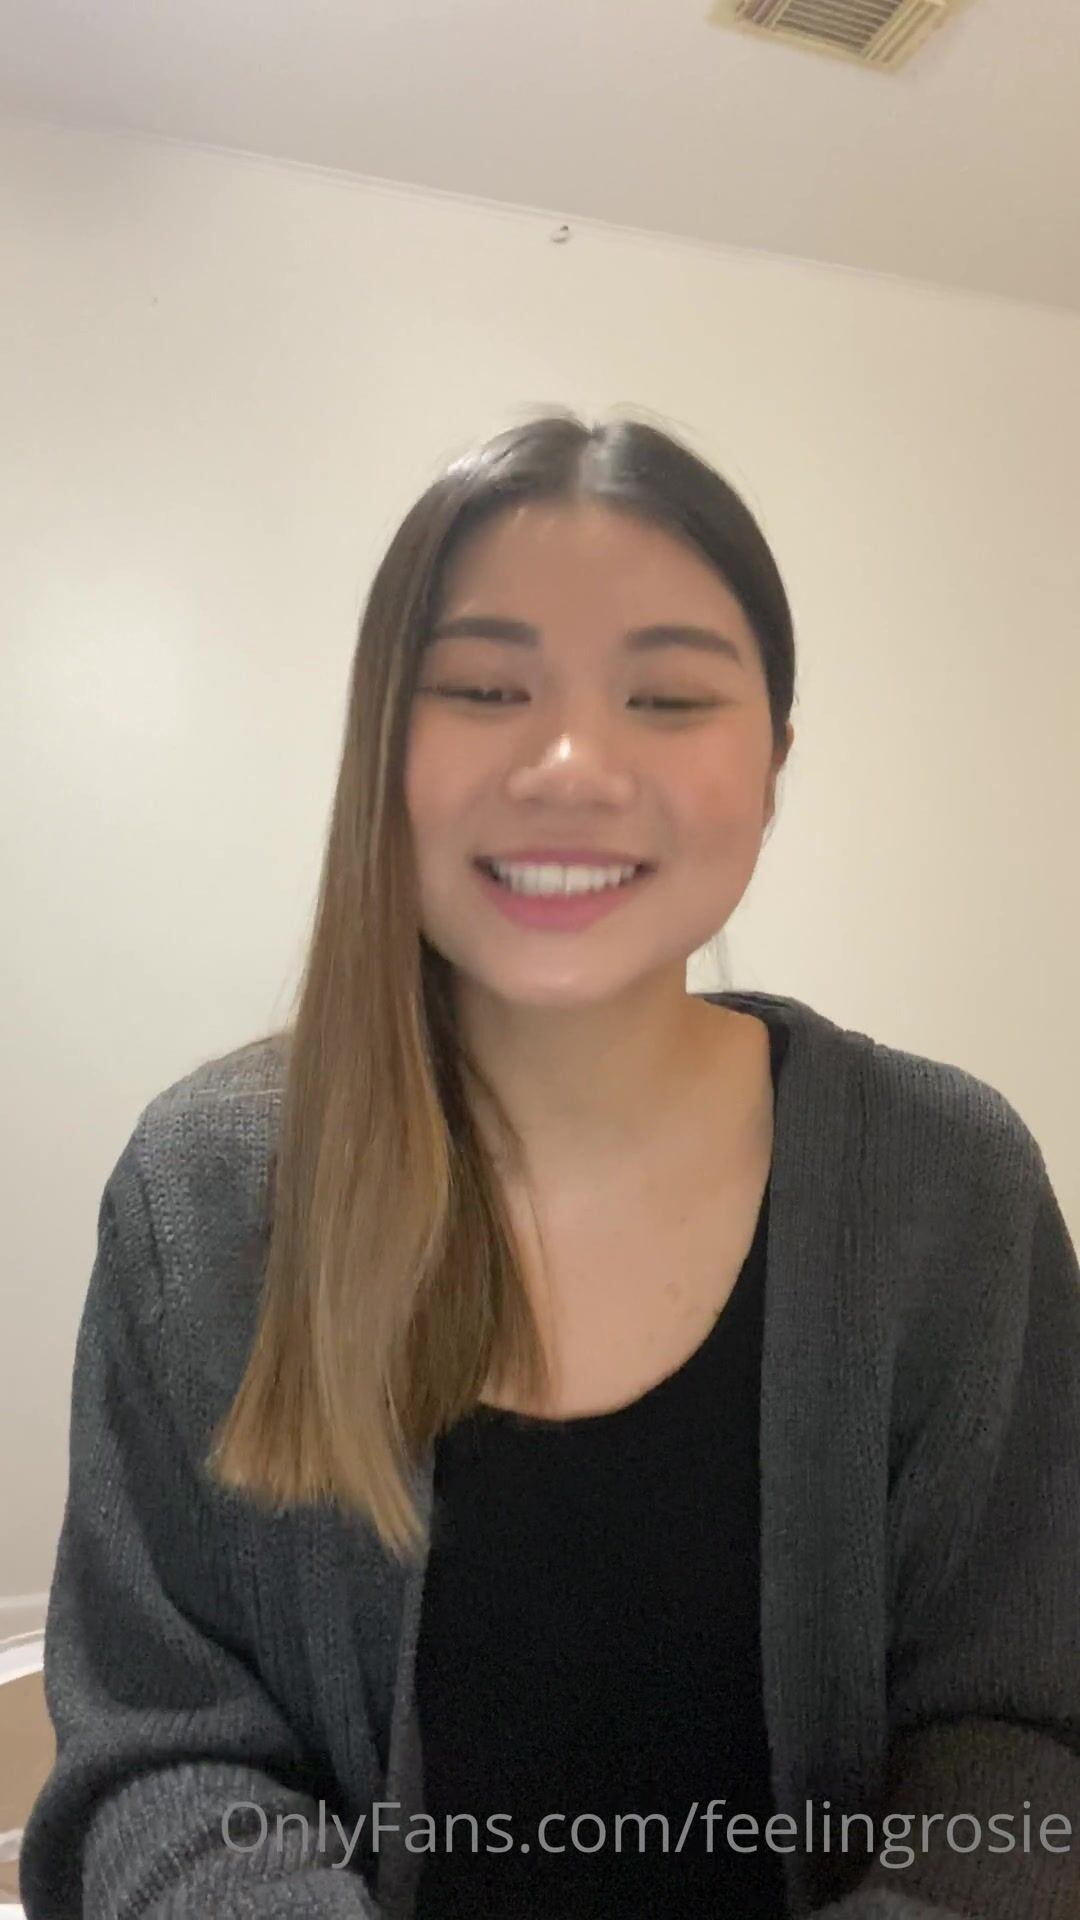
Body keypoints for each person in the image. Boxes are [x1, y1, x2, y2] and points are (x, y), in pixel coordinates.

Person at [19, 413, 1080, 1920]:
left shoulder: (949, 1191)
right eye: (483, 689)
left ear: (773, 762)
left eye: (668, 697)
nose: (573, 766)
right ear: (384, 745)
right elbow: (164, 1751)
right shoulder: (206, 1196)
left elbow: (1020, 1736)